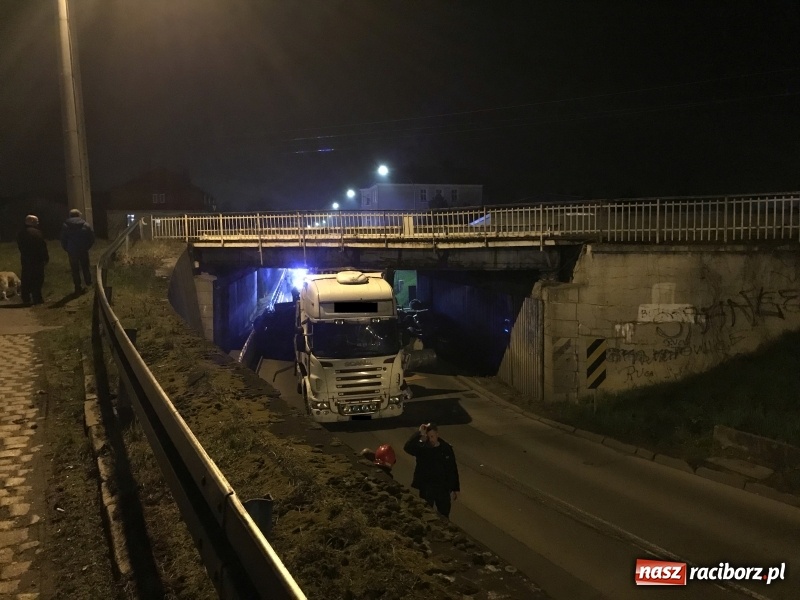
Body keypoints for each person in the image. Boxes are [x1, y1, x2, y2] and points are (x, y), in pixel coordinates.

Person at [403, 422, 460, 518]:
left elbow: (452, 468)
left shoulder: (445, 448)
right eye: (428, 437)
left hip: (442, 488)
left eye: (432, 436)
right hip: (427, 487)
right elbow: (407, 447)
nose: (431, 439)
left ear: (437, 434)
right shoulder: (422, 448)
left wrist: (455, 488)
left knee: (444, 514)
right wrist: (419, 433)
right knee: (426, 512)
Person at [60, 208, 95, 294]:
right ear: (79, 215)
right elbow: (91, 238)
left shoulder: (65, 225)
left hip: (72, 251)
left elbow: (63, 239)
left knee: (75, 270)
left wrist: (67, 248)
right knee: (85, 267)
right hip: (83, 249)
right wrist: (87, 247)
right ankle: (88, 284)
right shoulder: (85, 225)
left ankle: (77, 287)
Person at [16, 214, 49, 305]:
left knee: (26, 278)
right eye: (36, 221)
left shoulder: (21, 233)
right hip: (37, 260)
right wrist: (45, 257)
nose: (38, 223)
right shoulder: (37, 233)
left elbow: (20, 246)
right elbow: (42, 246)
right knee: (37, 279)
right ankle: (37, 298)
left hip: (26, 259)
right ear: (32, 222)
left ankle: (25, 298)